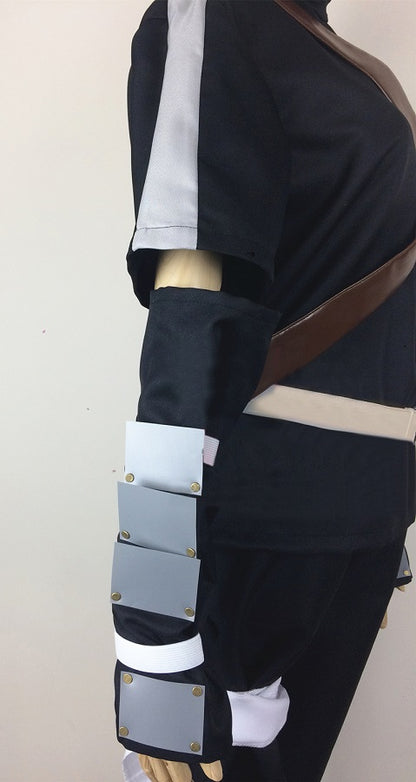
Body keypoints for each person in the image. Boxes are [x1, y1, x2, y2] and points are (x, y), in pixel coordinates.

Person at [111, 1, 416, 780]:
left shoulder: (338, 55)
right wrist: (152, 641)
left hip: (360, 523)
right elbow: (190, 319)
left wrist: (387, 516)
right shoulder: (217, 17)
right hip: (260, 524)